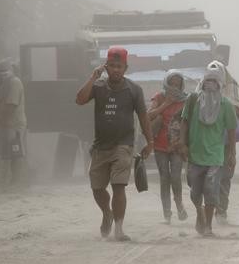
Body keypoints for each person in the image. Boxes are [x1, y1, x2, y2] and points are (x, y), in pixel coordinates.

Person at [75, 47, 154, 241]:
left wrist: (150, 141)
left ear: (125, 68)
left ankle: (119, 229)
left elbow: (143, 117)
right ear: (106, 67)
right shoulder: (99, 86)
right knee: (97, 188)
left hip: (123, 145)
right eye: (112, 66)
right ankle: (106, 213)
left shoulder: (134, 90)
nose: (116, 69)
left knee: (119, 186)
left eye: (119, 66)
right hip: (101, 146)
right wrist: (93, 77)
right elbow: (80, 99)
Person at [178, 68, 237, 237]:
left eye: (214, 82)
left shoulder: (226, 105)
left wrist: (232, 154)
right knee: (195, 191)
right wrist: (182, 143)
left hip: (216, 156)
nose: (210, 85)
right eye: (207, 82)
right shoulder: (193, 100)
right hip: (195, 155)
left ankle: (208, 226)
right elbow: (184, 122)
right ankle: (199, 212)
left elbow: (232, 131)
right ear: (202, 84)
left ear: (219, 86)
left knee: (211, 189)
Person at [205, 60, 239, 224]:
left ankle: (221, 211)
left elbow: (238, 111)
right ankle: (209, 210)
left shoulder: (232, 87)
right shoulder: (200, 91)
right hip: (207, 142)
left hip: (226, 142)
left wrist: (223, 105)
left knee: (225, 177)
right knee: (208, 178)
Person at [147, 70, 189, 224]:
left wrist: (184, 144)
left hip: (177, 145)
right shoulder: (159, 97)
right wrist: (166, 104)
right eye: (172, 83)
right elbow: (149, 116)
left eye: (178, 83)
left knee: (176, 177)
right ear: (167, 82)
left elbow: (189, 122)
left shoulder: (186, 100)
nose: (175, 86)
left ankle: (179, 205)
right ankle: (167, 214)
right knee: (164, 178)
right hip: (160, 146)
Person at [0, 59, 27, 185]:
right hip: (5, 124)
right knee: (7, 153)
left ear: (10, 71)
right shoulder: (3, 83)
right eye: (0, 72)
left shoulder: (14, 82)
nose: (3, 74)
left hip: (14, 124)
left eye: (5, 72)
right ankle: (8, 181)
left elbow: (11, 105)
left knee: (16, 152)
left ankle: (17, 181)